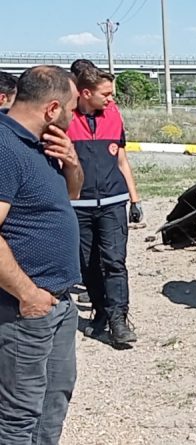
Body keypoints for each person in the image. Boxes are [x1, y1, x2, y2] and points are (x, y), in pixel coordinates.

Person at [0, 65, 83, 444]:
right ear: (52, 108)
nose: (75, 115)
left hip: (59, 302)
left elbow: (71, 196)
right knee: (19, 416)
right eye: (72, 107)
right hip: (22, 308)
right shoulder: (4, 148)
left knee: (54, 401)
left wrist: (72, 163)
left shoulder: (43, 142)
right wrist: (27, 294)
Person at [67, 66, 141, 346]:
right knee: (88, 265)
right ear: (86, 93)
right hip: (78, 205)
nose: (111, 99)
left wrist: (134, 199)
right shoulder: (66, 118)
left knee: (114, 262)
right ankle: (100, 312)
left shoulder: (113, 116)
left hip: (112, 202)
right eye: (106, 94)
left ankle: (119, 319)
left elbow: (121, 160)